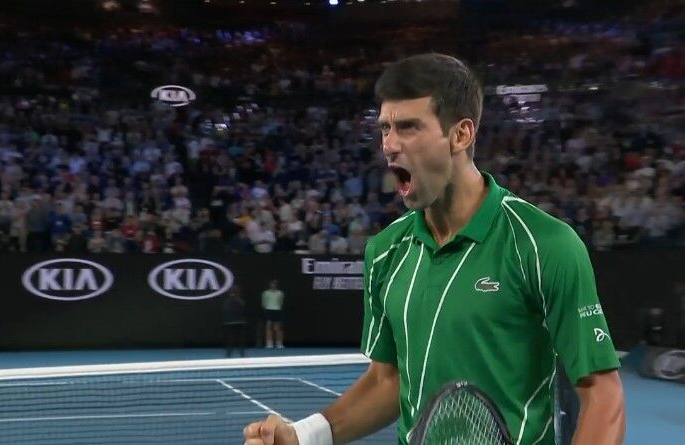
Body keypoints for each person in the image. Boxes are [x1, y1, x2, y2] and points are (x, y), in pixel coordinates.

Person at [243, 53, 625, 445]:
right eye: (385, 128)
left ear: (461, 135)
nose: (389, 145)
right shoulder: (384, 252)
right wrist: (301, 436)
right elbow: (388, 381)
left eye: (409, 127)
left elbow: (603, 395)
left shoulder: (544, 244)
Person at [222, 285, 248, 358]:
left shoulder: (227, 301)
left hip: (230, 322)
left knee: (231, 338)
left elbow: (225, 310)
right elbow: (244, 310)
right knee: (241, 339)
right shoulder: (241, 301)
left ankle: (228, 354)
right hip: (240, 322)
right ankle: (242, 354)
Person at [261, 279, 285, 349]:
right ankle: (269, 343)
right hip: (268, 310)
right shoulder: (265, 293)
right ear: (269, 284)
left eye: (274, 284)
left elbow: (281, 302)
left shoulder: (280, 293)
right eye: (272, 283)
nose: (273, 285)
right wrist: (266, 308)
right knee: (269, 327)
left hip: (277, 310)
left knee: (278, 328)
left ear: (276, 285)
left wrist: (278, 308)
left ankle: (279, 343)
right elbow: (263, 303)